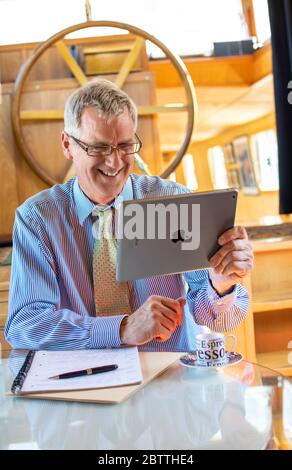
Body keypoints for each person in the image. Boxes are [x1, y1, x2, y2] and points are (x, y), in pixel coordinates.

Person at [5, 79, 253, 351]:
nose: (114, 162)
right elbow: (25, 325)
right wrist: (122, 328)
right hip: (86, 383)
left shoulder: (172, 201)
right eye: (98, 147)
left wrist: (221, 283)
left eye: (125, 146)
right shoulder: (37, 219)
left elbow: (218, 319)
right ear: (67, 145)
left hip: (170, 378)